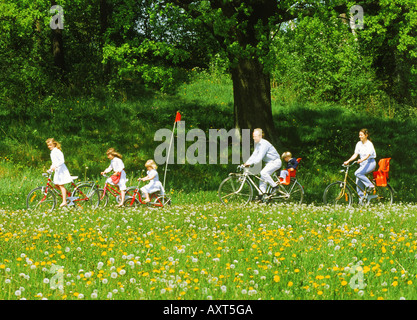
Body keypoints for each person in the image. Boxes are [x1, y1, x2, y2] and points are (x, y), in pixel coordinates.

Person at [243, 128, 281, 197]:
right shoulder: (258, 145)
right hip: (270, 163)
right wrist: (246, 163)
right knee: (263, 179)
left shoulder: (264, 144)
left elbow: (259, 157)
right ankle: (262, 196)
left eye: (255, 136)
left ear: (260, 136)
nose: (253, 138)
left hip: (275, 162)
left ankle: (275, 187)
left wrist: (251, 163)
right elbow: (254, 155)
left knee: (263, 173)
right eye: (253, 136)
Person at [344, 128, 376, 200]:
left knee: (357, 173)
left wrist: (362, 159)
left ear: (366, 135)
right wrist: (348, 161)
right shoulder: (358, 144)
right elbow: (355, 154)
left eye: (361, 135)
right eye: (359, 135)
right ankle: (361, 200)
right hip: (363, 164)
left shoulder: (369, 144)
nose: (360, 136)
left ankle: (370, 186)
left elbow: (368, 155)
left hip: (370, 163)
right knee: (358, 181)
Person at [46, 138, 73, 208]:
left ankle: (64, 201)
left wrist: (56, 166)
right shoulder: (52, 152)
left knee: (61, 185)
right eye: (48, 145)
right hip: (58, 170)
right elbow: (54, 162)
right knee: (56, 185)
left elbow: (62, 160)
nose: (49, 147)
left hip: (61, 170)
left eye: (50, 145)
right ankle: (68, 194)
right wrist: (50, 169)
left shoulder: (57, 151)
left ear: (54, 144)